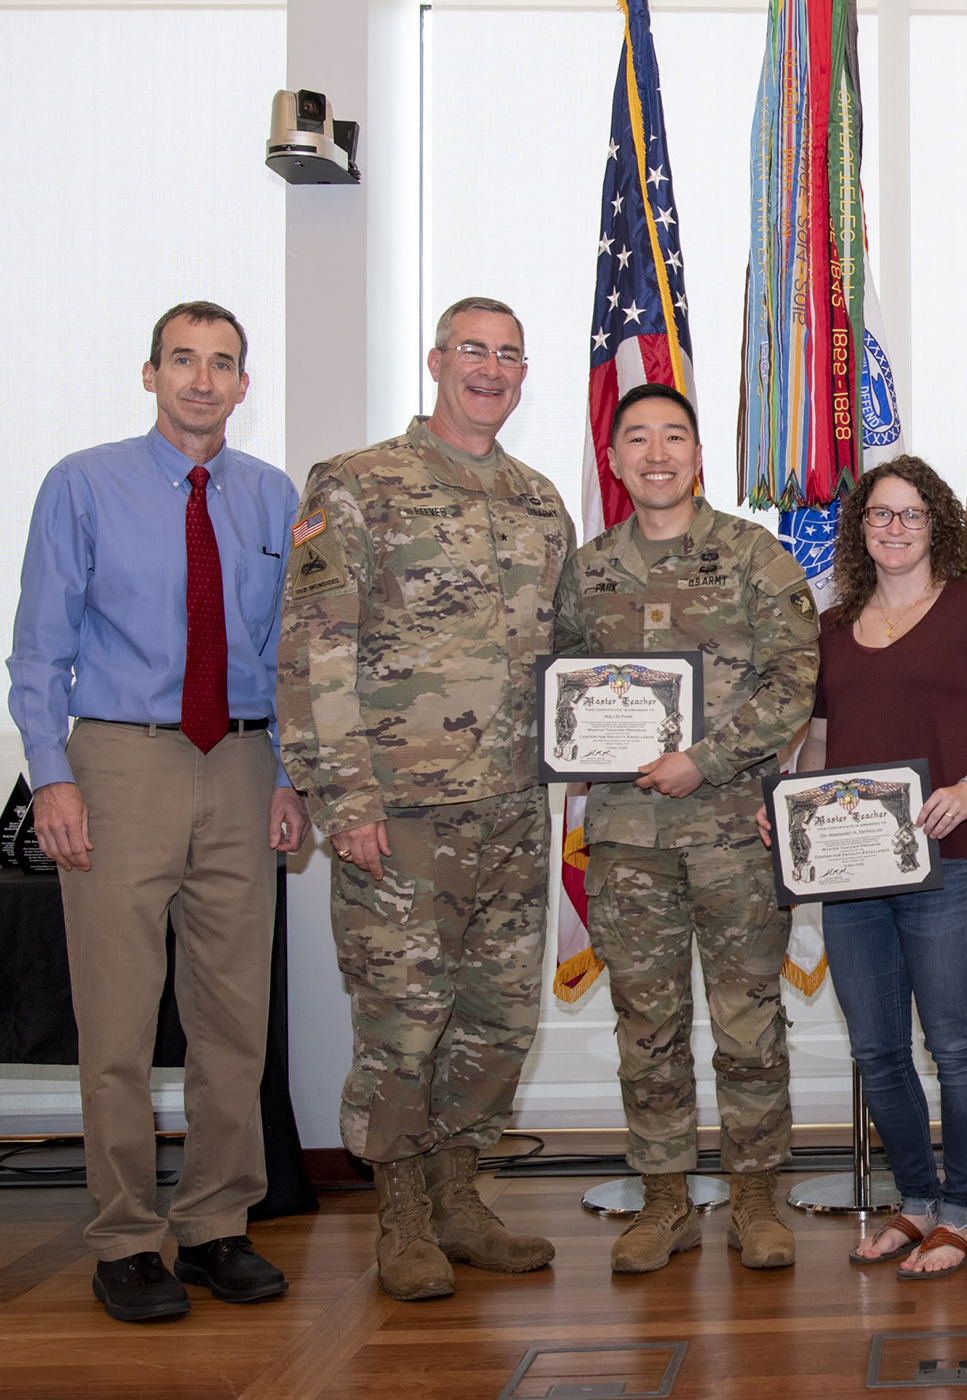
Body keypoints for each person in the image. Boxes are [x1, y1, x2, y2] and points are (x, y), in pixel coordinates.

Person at [7, 301, 307, 1323]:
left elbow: (287, 654)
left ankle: (219, 1224)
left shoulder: (273, 499)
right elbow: (39, 650)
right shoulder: (81, 484)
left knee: (233, 1020)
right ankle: (127, 1235)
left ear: (241, 385)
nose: (201, 379)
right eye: (184, 359)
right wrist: (52, 777)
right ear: (150, 374)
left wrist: (288, 775)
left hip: (240, 759)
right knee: (120, 1019)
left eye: (222, 363)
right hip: (117, 762)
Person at [276, 296, 573, 1301]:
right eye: (473, 351)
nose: (490, 369)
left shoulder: (541, 502)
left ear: (523, 374)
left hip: (514, 809)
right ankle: (398, 1212)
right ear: (438, 359)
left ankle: (460, 1192)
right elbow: (315, 643)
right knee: (404, 1019)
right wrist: (342, 795)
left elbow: (567, 662)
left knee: (497, 1018)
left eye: (509, 356)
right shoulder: (356, 484)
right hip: (398, 811)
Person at [551, 382, 818, 1274]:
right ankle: (665, 1197)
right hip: (626, 836)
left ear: (699, 456)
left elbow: (795, 682)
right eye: (637, 439)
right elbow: (561, 690)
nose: (656, 453)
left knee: (748, 1022)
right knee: (649, 1025)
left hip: (734, 830)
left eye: (674, 437)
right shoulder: (585, 571)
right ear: (616, 458)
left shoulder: (755, 558)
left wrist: (706, 757)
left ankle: (754, 1197)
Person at [789, 456, 967, 1280]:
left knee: (956, 1046)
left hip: (953, 862)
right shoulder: (833, 626)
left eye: (912, 515)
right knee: (879, 1051)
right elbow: (822, 744)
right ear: (860, 530)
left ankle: (962, 1213)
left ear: (939, 525)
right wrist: (791, 806)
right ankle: (917, 1203)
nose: (895, 529)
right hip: (851, 874)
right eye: (880, 516)